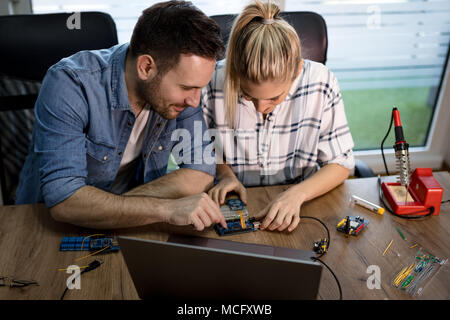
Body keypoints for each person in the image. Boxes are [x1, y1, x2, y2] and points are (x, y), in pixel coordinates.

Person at [15, 1, 227, 231]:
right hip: (44, 229)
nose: (195, 101)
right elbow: (65, 200)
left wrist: (118, 209)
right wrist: (165, 209)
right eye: (186, 87)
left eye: (199, 88)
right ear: (146, 67)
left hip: (125, 226)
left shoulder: (184, 96)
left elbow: (200, 172)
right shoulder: (70, 83)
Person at [202, 1, 355, 232]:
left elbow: (341, 163)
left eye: (274, 98)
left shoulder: (321, 82)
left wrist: (297, 194)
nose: (262, 107)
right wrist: (224, 174)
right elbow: (202, 150)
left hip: (304, 206)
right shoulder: (212, 80)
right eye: (249, 97)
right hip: (236, 205)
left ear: (297, 70)